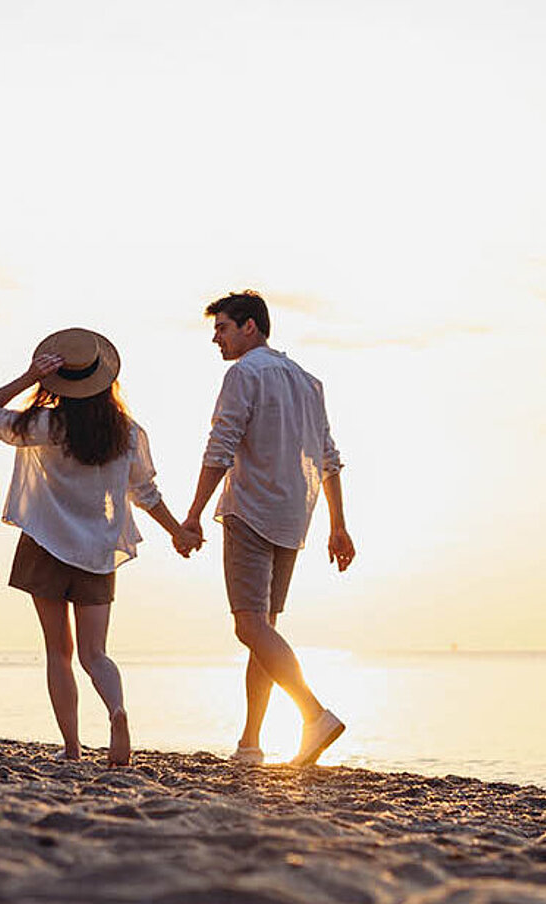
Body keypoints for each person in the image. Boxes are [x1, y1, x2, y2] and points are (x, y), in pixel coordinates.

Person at [0, 327, 188, 767]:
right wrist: (177, 531)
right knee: (96, 654)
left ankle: (72, 748)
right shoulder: (127, 433)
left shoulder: (46, 425)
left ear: (60, 383)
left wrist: (31, 376)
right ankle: (117, 711)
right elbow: (145, 492)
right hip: (97, 552)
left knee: (59, 652)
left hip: (45, 545)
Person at [174, 290, 355, 768]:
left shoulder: (243, 374)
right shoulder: (308, 381)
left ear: (250, 327)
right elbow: (329, 458)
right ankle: (251, 743)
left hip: (251, 511)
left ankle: (314, 713)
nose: (217, 338)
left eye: (223, 328)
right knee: (263, 629)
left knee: (249, 625)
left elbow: (220, 447)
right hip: (294, 516)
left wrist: (192, 515)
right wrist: (338, 526)